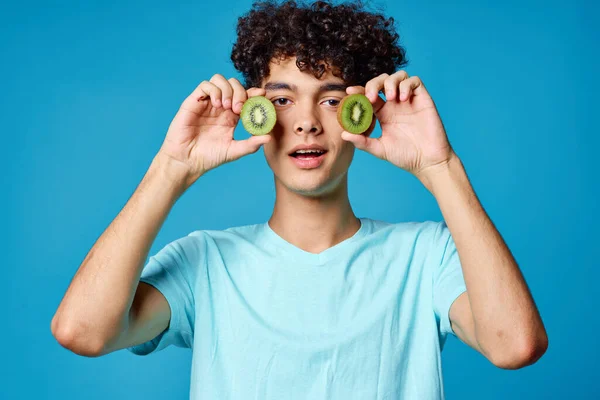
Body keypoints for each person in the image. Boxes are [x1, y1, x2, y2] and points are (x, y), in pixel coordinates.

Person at [51, 1, 548, 398]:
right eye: (282, 100)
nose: (307, 121)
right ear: (255, 114)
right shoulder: (206, 262)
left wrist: (440, 169)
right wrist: (172, 167)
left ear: (362, 113)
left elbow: (515, 346)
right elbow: (82, 331)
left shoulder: (425, 257)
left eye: (331, 100)